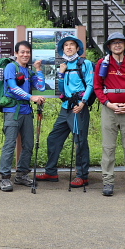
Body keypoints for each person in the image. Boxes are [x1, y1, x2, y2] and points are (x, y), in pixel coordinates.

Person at [36, 35, 93, 187]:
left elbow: (90, 85)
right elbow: (62, 89)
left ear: (77, 48)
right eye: (66, 45)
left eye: (71, 45)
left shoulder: (85, 64)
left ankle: (83, 175)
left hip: (78, 107)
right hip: (66, 107)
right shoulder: (64, 65)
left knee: (80, 142)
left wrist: (83, 102)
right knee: (53, 138)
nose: (68, 47)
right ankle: (51, 172)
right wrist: (61, 74)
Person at [94, 33, 125, 197]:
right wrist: (108, 103)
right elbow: (97, 87)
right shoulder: (102, 63)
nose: (117, 45)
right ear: (109, 46)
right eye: (113, 43)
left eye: (120, 42)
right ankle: (108, 182)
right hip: (109, 110)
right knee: (108, 148)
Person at [0, 41, 47, 192]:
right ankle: (4, 178)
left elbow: (41, 87)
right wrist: (31, 97)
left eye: (28, 52)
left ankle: (21, 175)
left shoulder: (29, 71)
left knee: (29, 144)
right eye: (22, 52)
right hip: (13, 110)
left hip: (26, 112)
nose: (25, 55)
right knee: (10, 144)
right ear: (17, 53)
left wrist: (39, 70)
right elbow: (12, 88)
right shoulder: (11, 67)